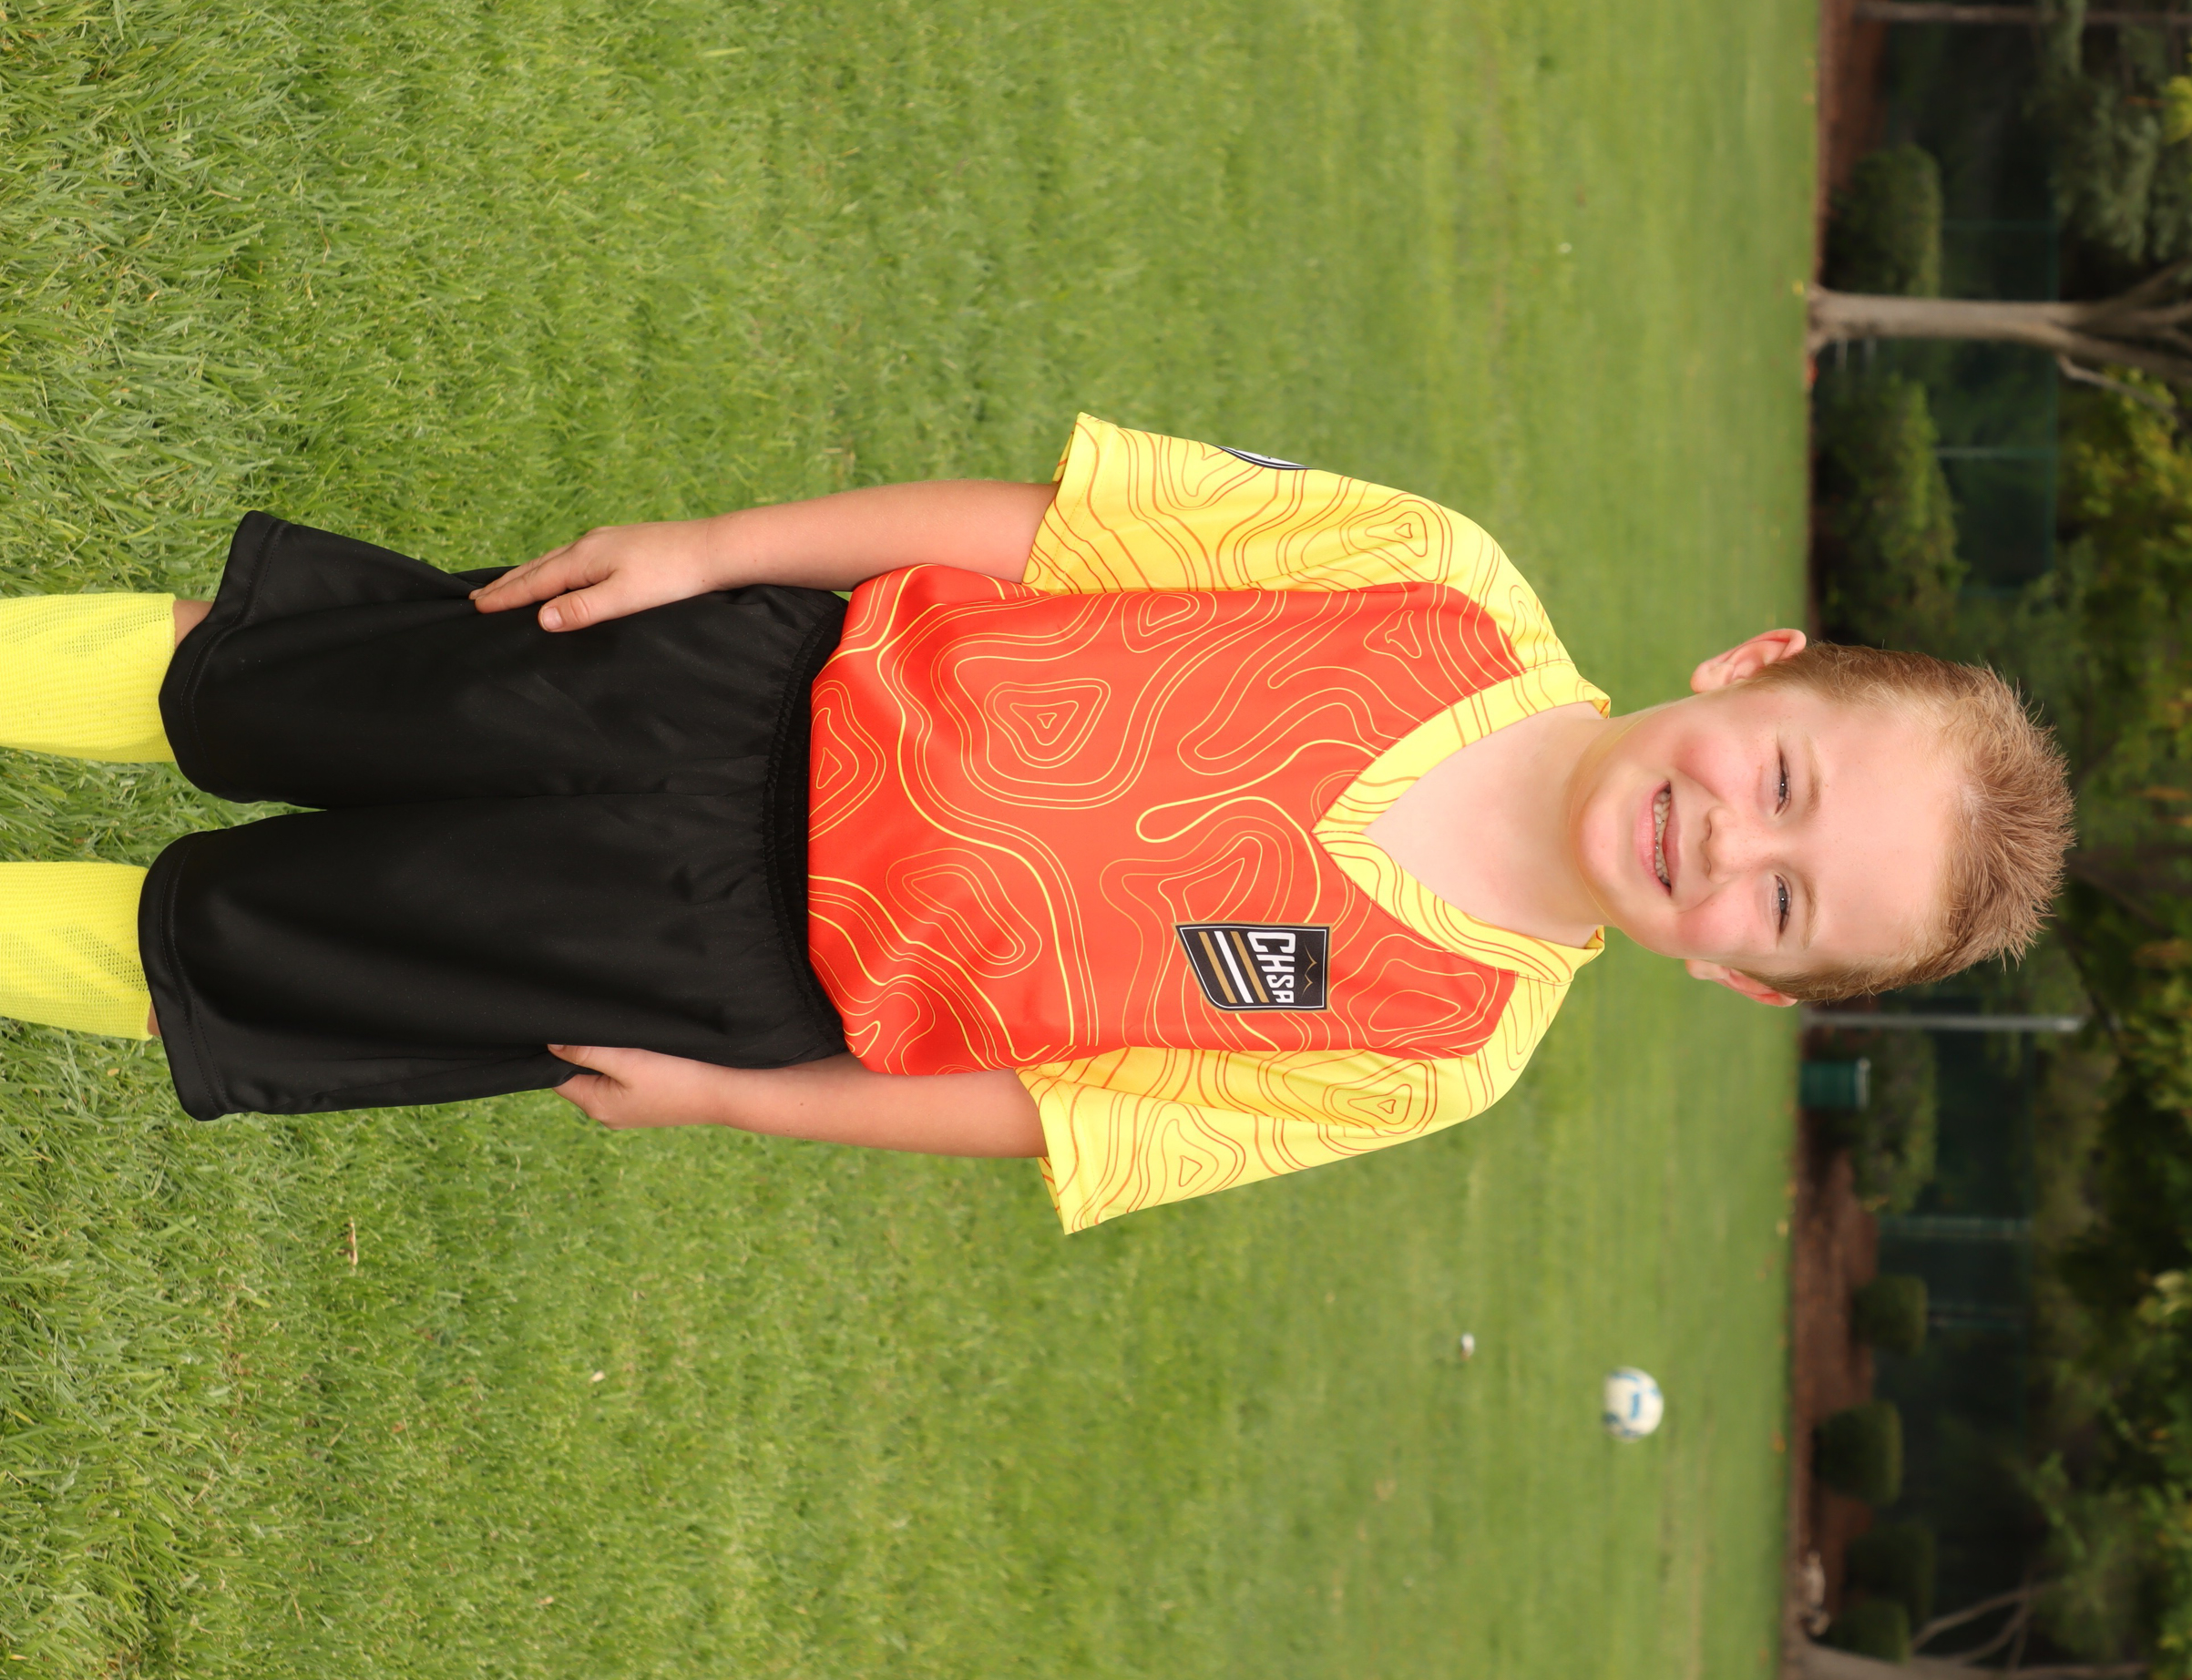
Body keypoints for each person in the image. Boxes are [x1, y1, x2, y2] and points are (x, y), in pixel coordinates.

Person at [0, 415, 2071, 1230]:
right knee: (260, 676)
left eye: (1782, 905)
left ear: (1742, 978)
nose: (1729, 843)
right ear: (1752, 665)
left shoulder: (1440, 1048)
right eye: (1782, 781)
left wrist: (739, 1100)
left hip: (732, 967)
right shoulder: (1436, 578)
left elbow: (1055, 1116)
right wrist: (718, 547)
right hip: (738, 679)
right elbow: (1048, 532)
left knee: (257, 957)